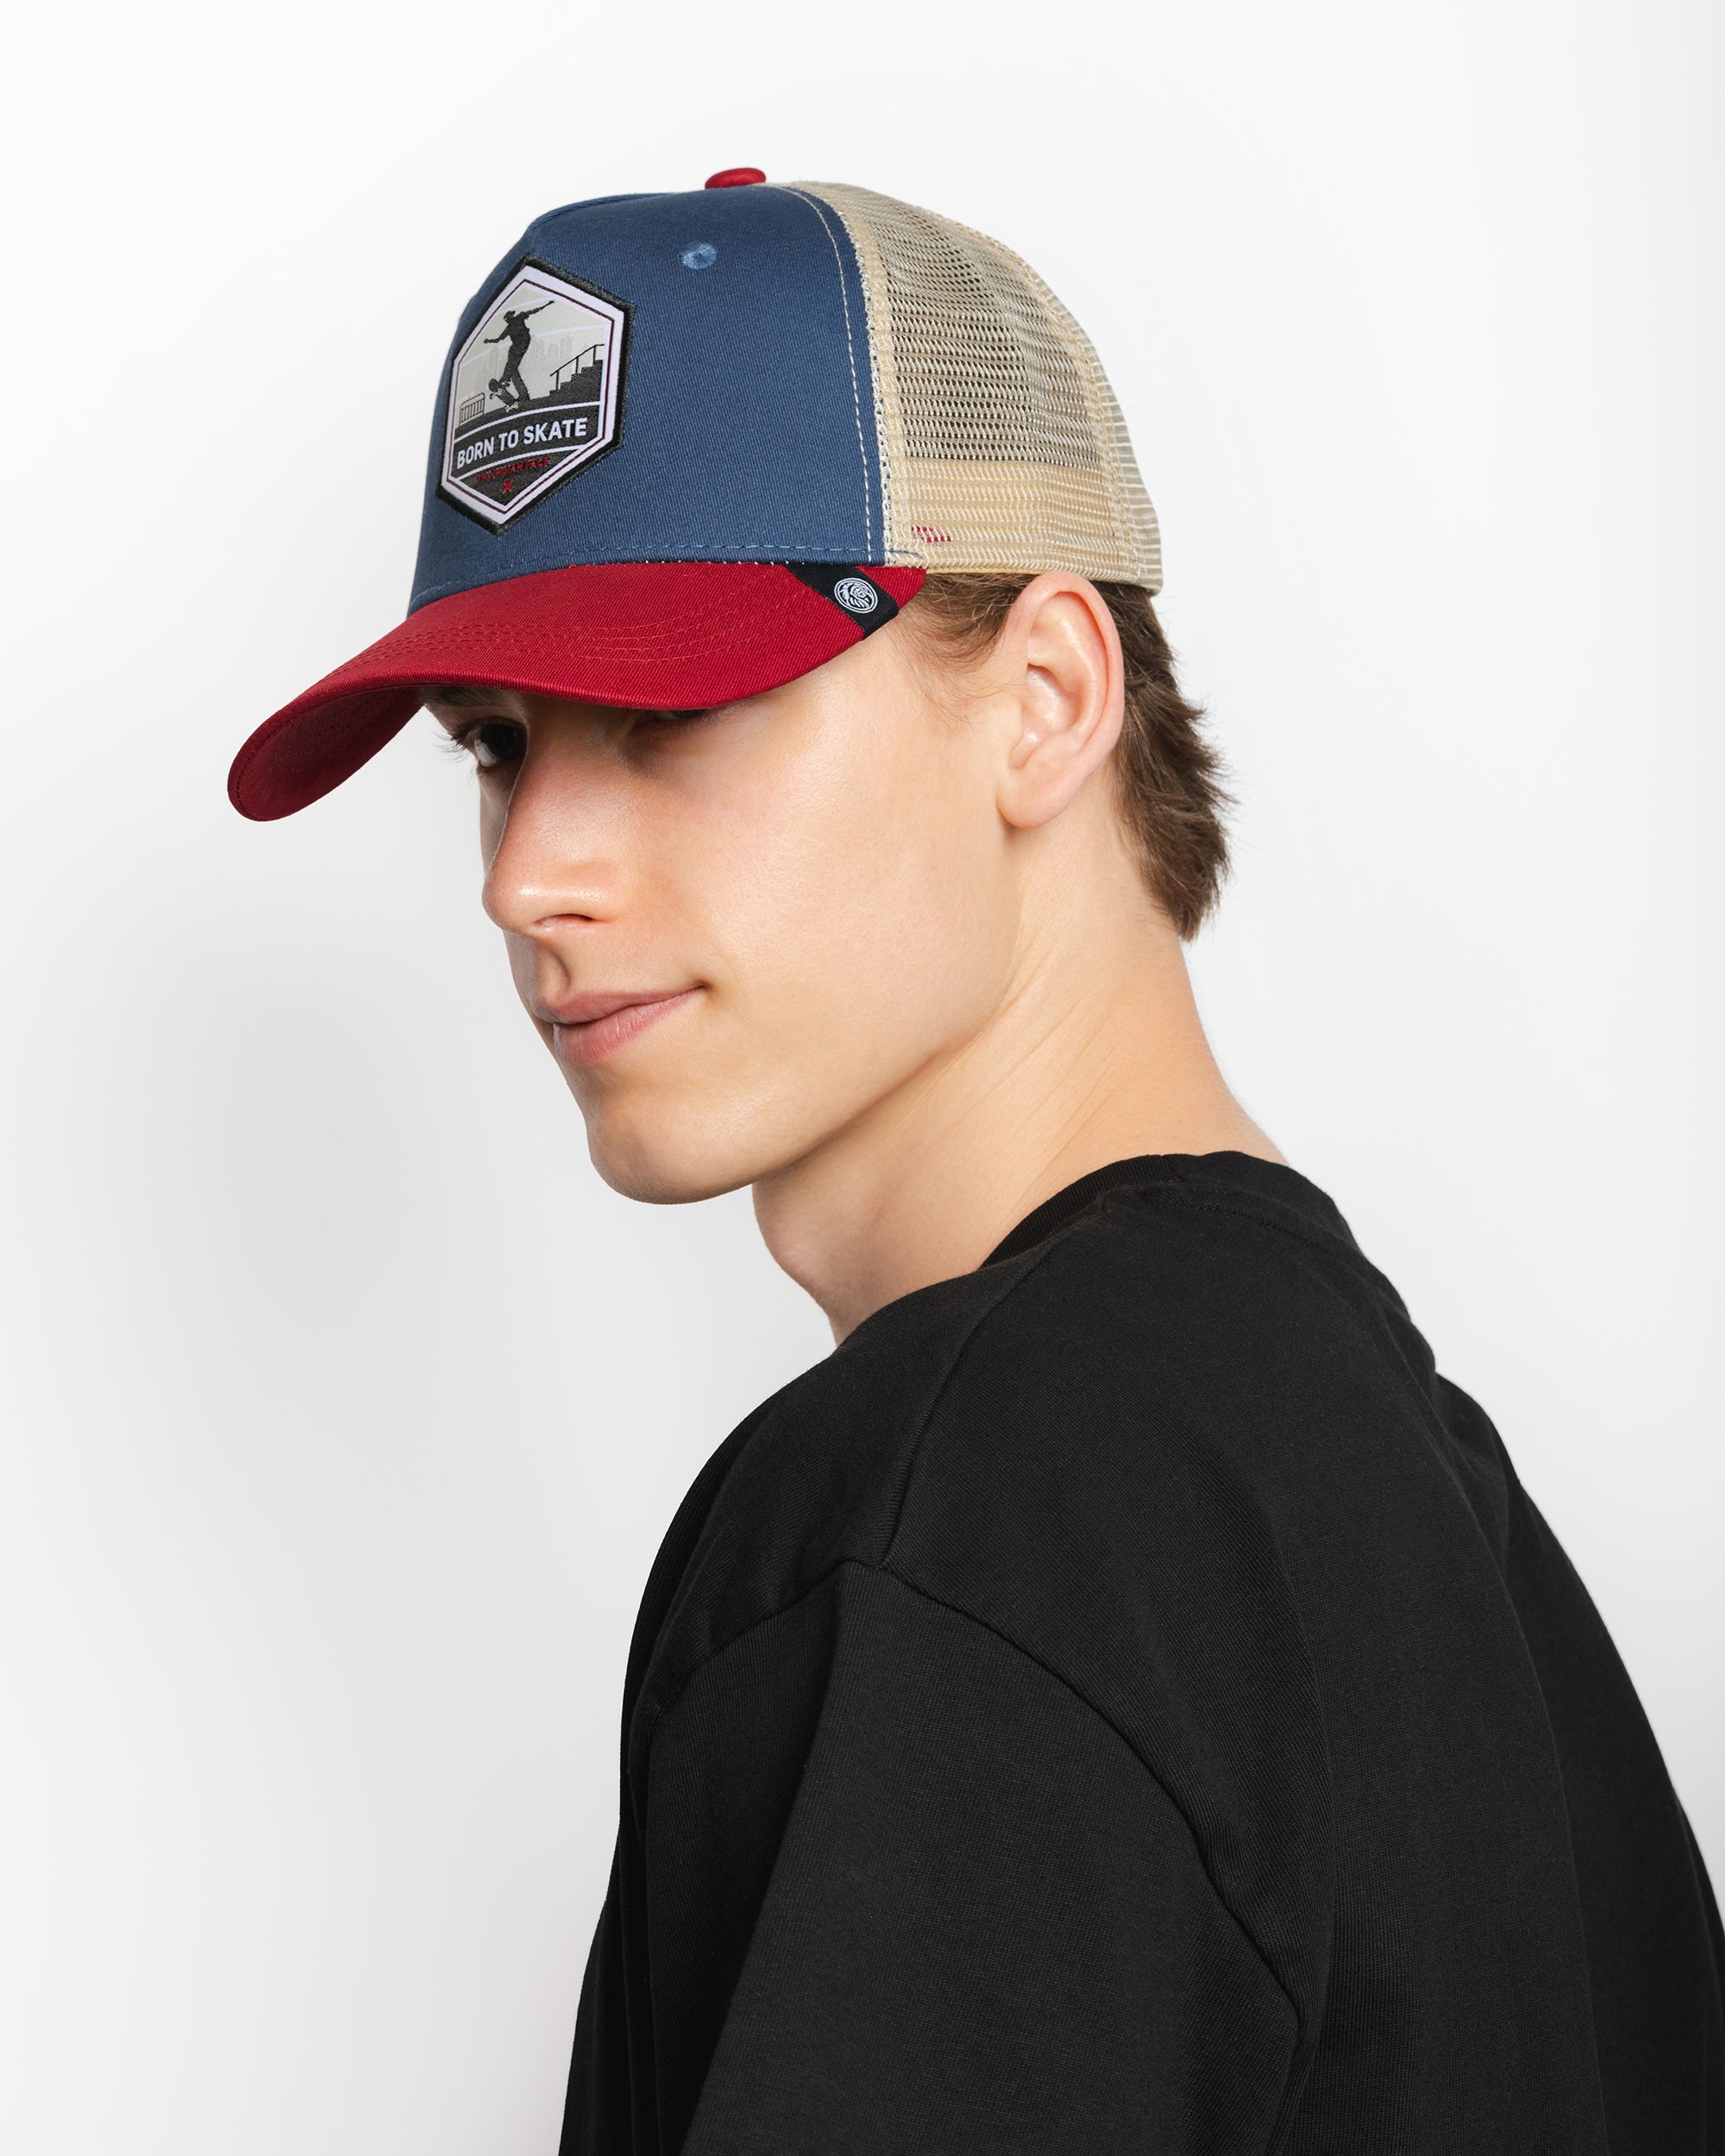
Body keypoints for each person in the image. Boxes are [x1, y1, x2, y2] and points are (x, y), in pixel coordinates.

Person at [228, 171, 1725, 2154]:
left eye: (671, 715)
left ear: (1045, 700)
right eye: (499, 743)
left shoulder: (965, 1505)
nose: (526, 875)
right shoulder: (1436, 1536)